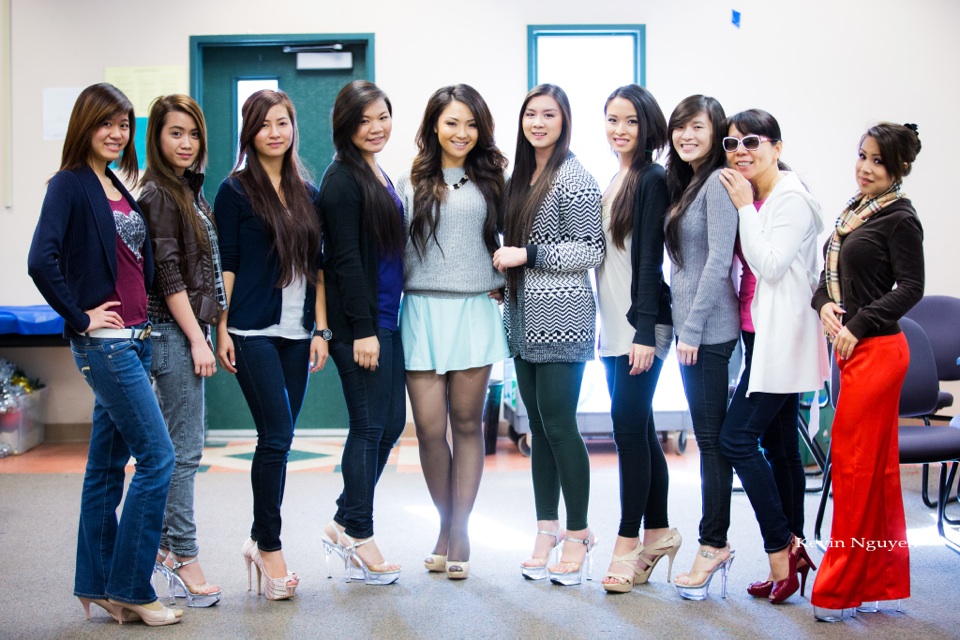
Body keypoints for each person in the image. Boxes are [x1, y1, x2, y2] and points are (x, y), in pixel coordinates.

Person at [27, 83, 181, 626]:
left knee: (106, 467)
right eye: (106, 124)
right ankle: (131, 587)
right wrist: (81, 315)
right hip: (106, 344)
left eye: (124, 125)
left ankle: (95, 582)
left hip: (134, 339)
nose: (117, 134)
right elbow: (40, 260)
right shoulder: (69, 185)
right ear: (85, 126)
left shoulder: (115, 181)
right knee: (159, 457)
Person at [213, 89, 326, 601]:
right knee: (277, 434)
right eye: (264, 125)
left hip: (298, 333)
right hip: (252, 330)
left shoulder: (306, 190)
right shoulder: (234, 191)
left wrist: (320, 330)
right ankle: (271, 546)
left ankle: (260, 540)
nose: (275, 132)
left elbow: (316, 268)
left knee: (277, 443)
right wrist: (220, 326)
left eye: (283, 122)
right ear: (250, 132)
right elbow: (229, 264)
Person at [810, 122, 923, 622]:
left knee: (855, 472)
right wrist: (824, 307)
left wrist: (857, 321)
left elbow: (911, 287)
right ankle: (878, 579)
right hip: (852, 350)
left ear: (899, 169)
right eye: (862, 156)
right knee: (871, 473)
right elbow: (829, 278)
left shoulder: (900, 217)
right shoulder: (854, 213)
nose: (865, 167)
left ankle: (840, 588)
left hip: (878, 353)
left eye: (878, 161)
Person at [396, 84, 510, 580]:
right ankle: (446, 523)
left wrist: (503, 284)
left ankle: (457, 532)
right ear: (433, 127)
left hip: (473, 311)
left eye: (470, 123)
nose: (461, 133)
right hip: (421, 310)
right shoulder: (407, 182)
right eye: (451, 123)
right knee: (427, 428)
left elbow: (516, 242)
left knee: (466, 425)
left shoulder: (495, 182)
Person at [717, 109, 830, 604]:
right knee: (782, 448)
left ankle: (780, 546)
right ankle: (795, 554)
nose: (740, 150)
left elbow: (770, 263)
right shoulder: (762, 196)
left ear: (777, 147)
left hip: (780, 341)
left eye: (752, 141)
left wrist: (743, 207)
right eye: (732, 142)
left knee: (736, 438)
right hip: (755, 336)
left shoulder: (790, 200)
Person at [493, 83, 603, 586]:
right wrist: (506, 279)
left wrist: (528, 256)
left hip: (562, 320)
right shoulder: (521, 174)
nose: (538, 122)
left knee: (559, 426)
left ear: (564, 121)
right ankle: (546, 531)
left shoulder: (574, 176)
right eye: (530, 114)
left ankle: (579, 534)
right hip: (521, 319)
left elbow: (589, 250)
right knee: (538, 429)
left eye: (549, 115)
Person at [594, 85, 681, 594]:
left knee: (627, 432)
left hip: (641, 326)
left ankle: (627, 543)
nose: (620, 129)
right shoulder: (617, 178)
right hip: (614, 326)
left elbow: (650, 260)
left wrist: (644, 334)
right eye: (611, 119)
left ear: (648, 126)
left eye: (629, 121)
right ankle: (660, 532)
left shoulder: (651, 178)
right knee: (641, 431)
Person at [318, 80, 405, 586]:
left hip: (387, 318)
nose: (375, 128)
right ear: (346, 126)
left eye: (382, 117)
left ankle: (342, 521)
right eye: (364, 120)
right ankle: (360, 533)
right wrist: (363, 331)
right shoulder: (341, 180)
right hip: (363, 327)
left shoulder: (375, 171)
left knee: (390, 424)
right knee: (369, 427)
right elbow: (345, 261)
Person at [139, 94, 223, 607]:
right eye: (175, 133)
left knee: (179, 450)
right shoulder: (159, 194)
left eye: (192, 134)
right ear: (157, 137)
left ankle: (171, 547)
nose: (186, 143)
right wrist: (197, 338)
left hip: (186, 330)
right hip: (172, 333)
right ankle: (181, 554)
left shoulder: (188, 190)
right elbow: (168, 274)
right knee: (182, 453)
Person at [663, 95, 740, 600]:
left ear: (715, 132)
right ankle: (713, 541)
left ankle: (713, 543)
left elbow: (717, 263)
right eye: (680, 127)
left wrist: (690, 330)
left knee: (711, 442)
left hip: (709, 332)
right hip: (694, 328)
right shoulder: (689, 182)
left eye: (697, 127)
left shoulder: (716, 182)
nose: (687, 136)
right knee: (709, 437)